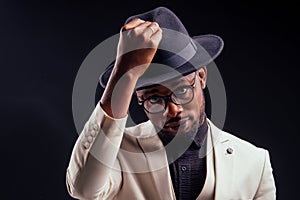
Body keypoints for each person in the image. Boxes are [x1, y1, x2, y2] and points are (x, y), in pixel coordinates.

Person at [66, 7, 276, 200]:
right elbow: (83, 190)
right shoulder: (116, 152)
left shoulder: (254, 162)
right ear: (138, 98)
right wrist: (123, 75)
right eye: (155, 98)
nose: (173, 109)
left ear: (201, 77)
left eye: (182, 90)